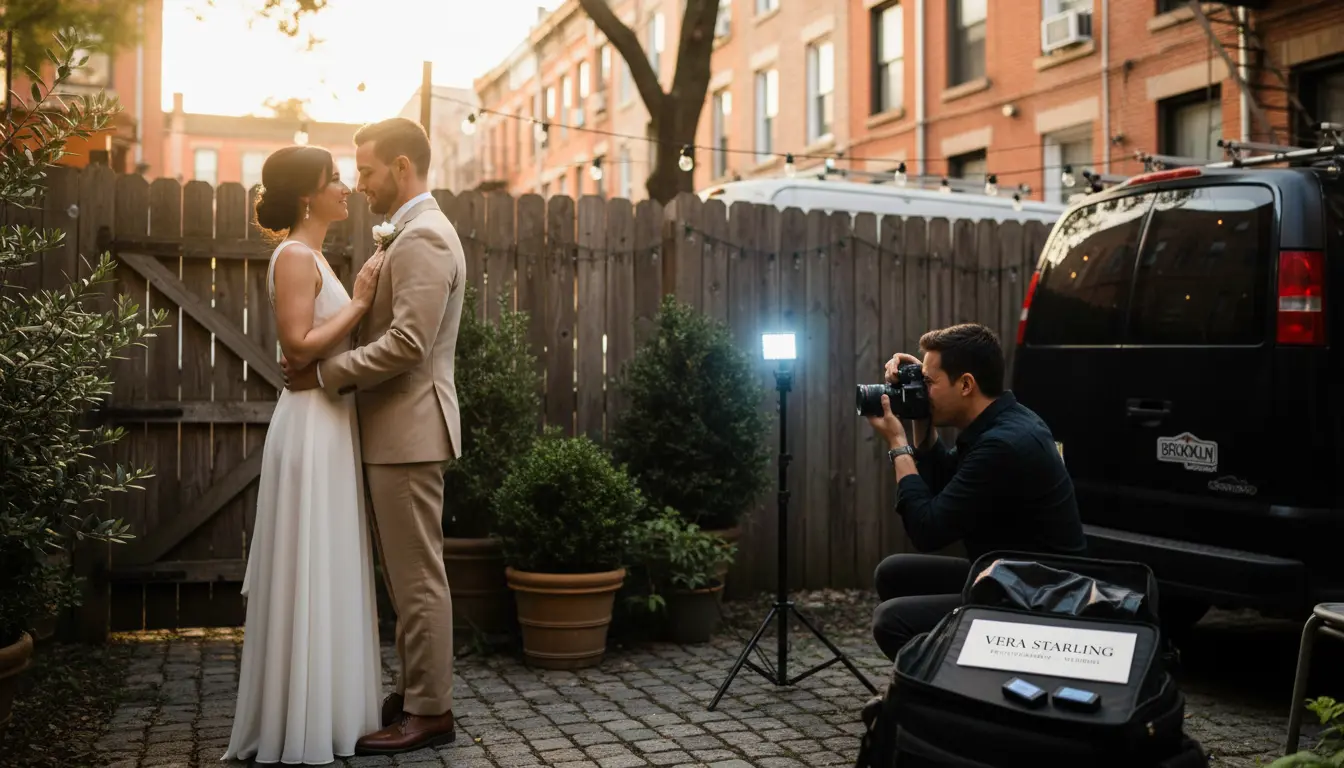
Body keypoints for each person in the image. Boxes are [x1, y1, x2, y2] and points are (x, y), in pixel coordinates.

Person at [282, 117, 466, 756]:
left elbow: (409, 344)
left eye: (366, 171)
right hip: (394, 431)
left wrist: (327, 374)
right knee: (406, 577)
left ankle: (430, 711)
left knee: (417, 580)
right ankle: (417, 691)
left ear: (404, 169)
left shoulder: (425, 239)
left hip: (410, 430)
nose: (358, 184)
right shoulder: (410, 233)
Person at [222, 145, 388, 765]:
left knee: (332, 559)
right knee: (309, 559)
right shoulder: (294, 255)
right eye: (334, 180)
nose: (346, 188)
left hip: (329, 422)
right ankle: (301, 721)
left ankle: (334, 712)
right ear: (306, 195)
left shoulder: (314, 255)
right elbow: (297, 347)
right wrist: (362, 302)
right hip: (310, 426)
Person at [865, 323, 1086, 661]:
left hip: (1035, 598)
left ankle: (954, 696)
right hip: (1008, 576)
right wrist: (918, 411)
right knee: (893, 574)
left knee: (891, 621)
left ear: (966, 384)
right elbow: (942, 479)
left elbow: (927, 529)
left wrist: (898, 444)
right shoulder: (1001, 423)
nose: (923, 390)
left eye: (928, 383)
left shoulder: (1002, 445)